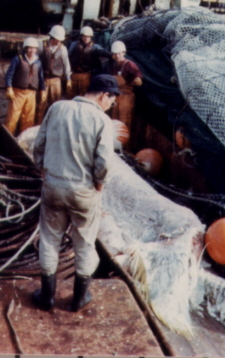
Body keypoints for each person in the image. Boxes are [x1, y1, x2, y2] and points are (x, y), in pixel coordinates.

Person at [32, 74, 120, 312]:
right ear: (104, 96)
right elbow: (104, 164)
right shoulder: (102, 120)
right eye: (112, 100)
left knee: (50, 239)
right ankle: (79, 299)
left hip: (53, 186)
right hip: (83, 192)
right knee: (85, 243)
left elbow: (38, 145)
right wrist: (98, 188)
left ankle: (47, 297)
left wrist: (45, 172)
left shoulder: (57, 108)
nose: (112, 105)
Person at [5, 37, 46, 135]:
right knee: (12, 118)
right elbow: (9, 74)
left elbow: (41, 78)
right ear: (25, 48)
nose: (32, 51)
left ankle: (24, 140)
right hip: (18, 93)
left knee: (28, 119)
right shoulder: (17, 59)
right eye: (29, 48)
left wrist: (43, 90)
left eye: (34, 48)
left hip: (31, 94)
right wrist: (9, 88)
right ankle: (7, 139)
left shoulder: (38, 62)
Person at [104, 40, 142, 134]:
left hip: (126, 97)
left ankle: (125, 146)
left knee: (124, 121)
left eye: (119, 53)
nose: (117, 56)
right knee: (114, 121)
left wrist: (137, 79)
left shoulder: (129, 64)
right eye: (115, 54)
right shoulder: (114, 65)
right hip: (115, 96)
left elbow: (138, 76)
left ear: (124, 52)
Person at [36, 25, 72, 124]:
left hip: (56, 80)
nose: (59, 41)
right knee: (40, 104)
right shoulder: (41, 46)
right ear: (52, 37)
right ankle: (38, 125)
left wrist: (68, 78)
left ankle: (54, 124)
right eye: (57, 39)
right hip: (43, 79)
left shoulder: (63, 49)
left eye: (60, 40)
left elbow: (66, 63)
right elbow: (35, 61)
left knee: (56, 104)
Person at [68, 26, 111, 97]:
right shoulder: (74, 45)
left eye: (88, 36)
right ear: (81, 36)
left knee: (85, 94)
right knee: (72, 95)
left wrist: (112, 55)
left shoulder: (95, 47)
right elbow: (68, 57)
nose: (86, 38)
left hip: (87, 75)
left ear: (91, 37)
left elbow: (103, 52)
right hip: (74, 74)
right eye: (84, 36)